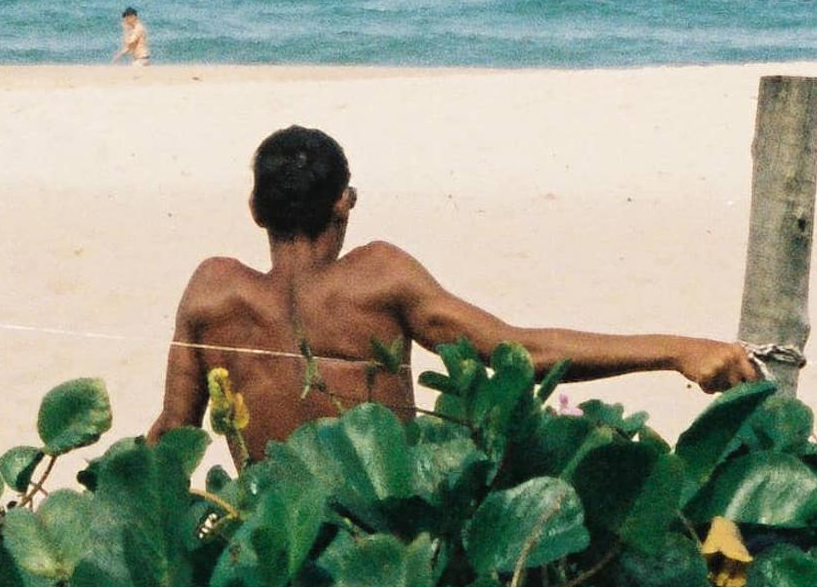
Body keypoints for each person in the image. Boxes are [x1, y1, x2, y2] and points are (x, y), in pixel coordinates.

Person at [151, 124, 761, 461]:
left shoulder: (212, 292)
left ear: (256, 209)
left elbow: (170, 437)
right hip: (379, 543)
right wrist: (675, 349)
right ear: (344, 201)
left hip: (267, 537)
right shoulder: (378, 276)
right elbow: (518, 352)